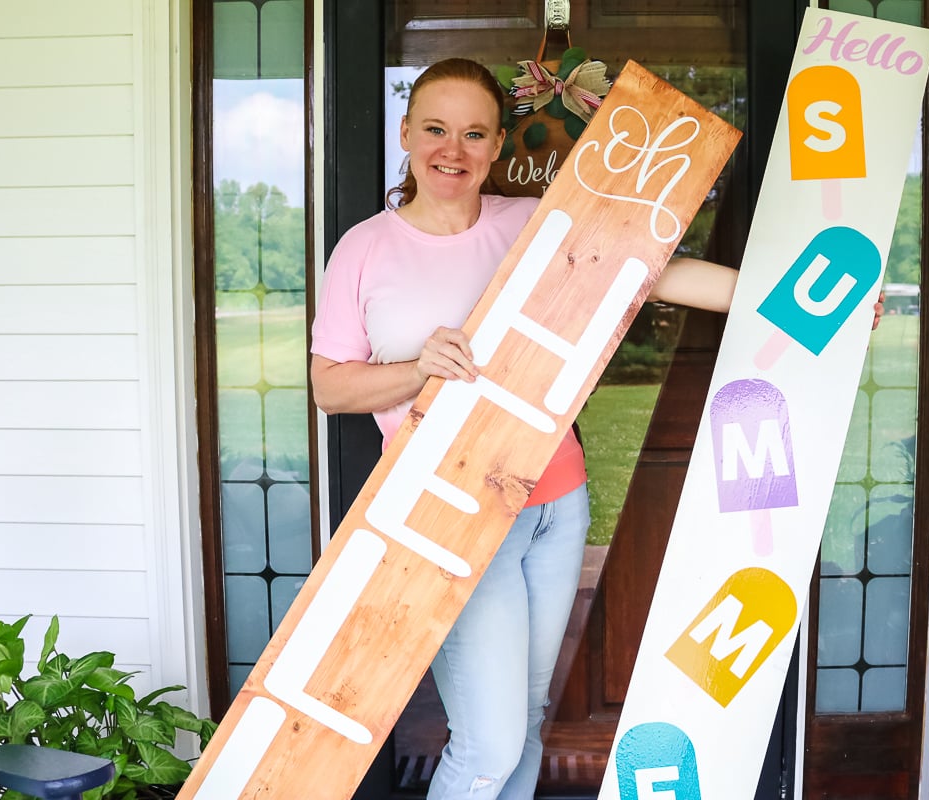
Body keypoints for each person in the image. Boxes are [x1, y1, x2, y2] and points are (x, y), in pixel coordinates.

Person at [310, 57, 879, 800]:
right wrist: (421, 367)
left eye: (474, 133)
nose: (454, 149)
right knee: (488, 742)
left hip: (555, 505)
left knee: (528, 718)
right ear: (407, 133)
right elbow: (330, 387)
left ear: (496, 144)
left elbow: (657, 271)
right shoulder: (365, 248)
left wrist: (811, 298)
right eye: (437, 129)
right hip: (449, 516)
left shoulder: (531, 223)